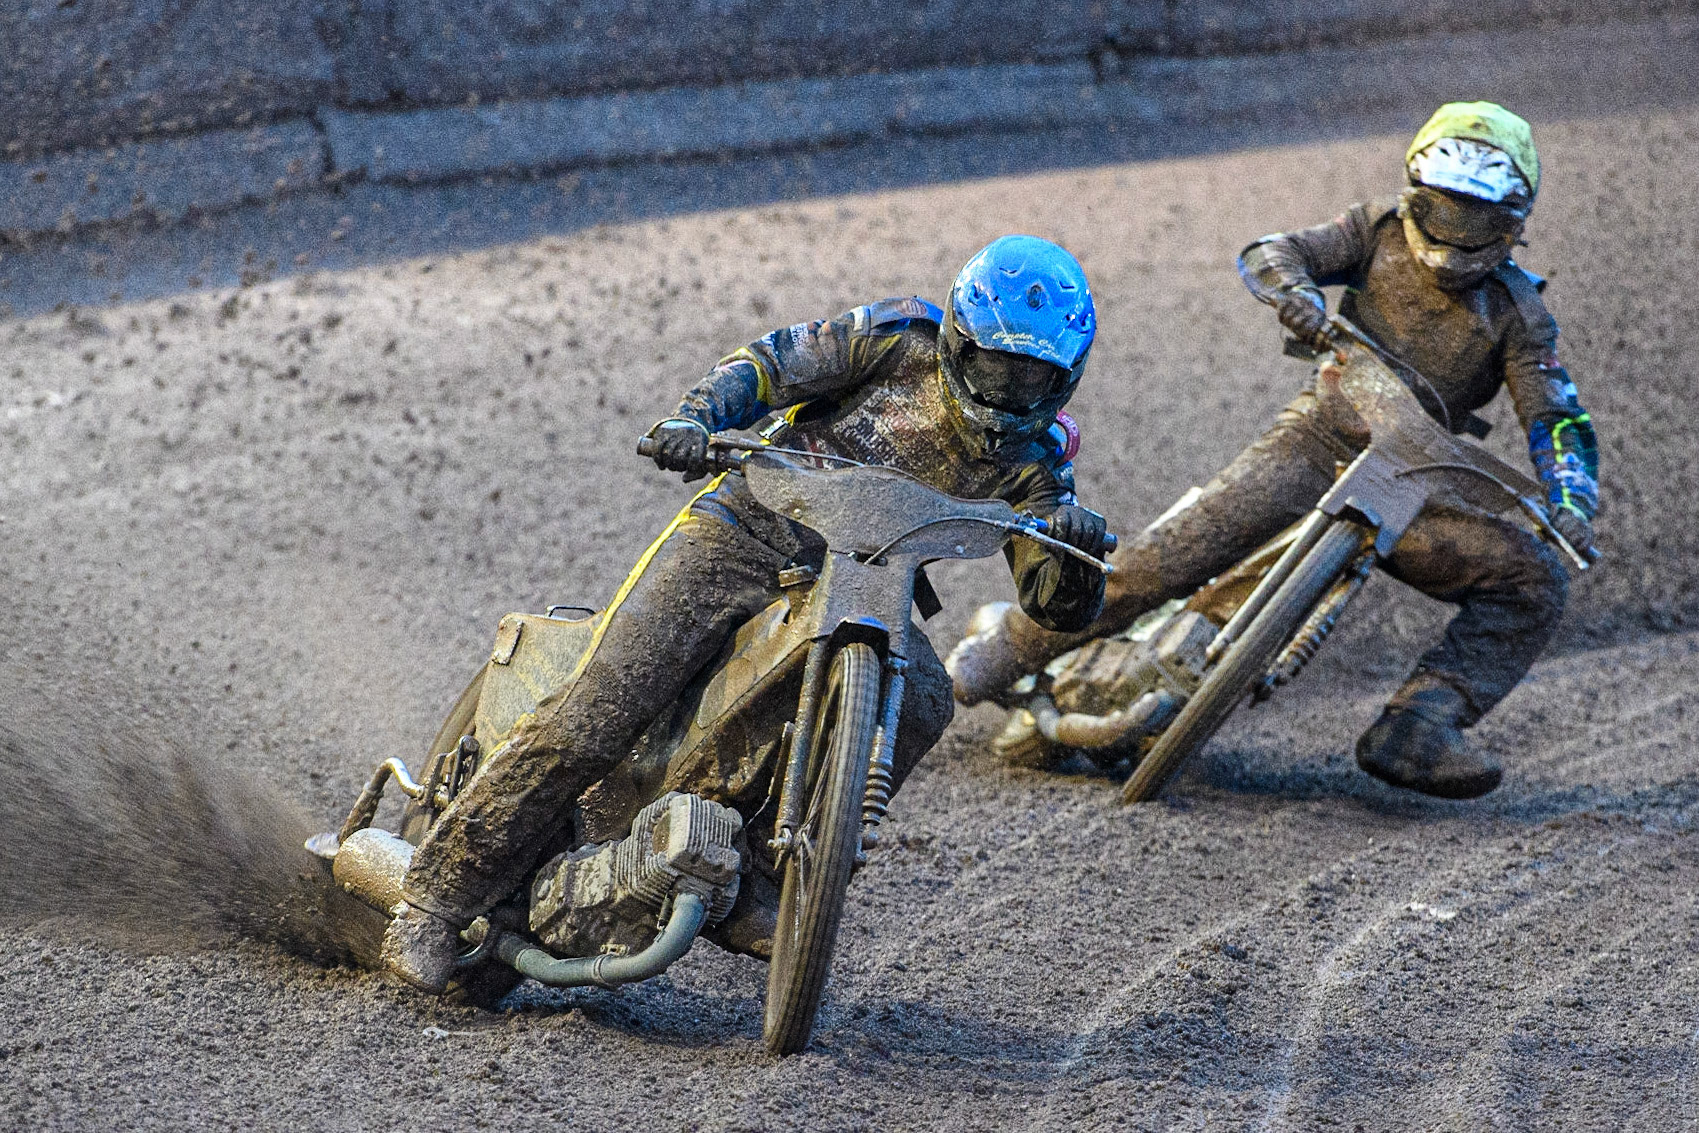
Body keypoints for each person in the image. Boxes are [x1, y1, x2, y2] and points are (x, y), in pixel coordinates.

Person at [382, 235, 1112, 991]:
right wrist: (696, 416)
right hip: (745, 528)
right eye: (996, 366)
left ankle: (765, 874)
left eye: (1032, 378)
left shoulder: (1041, 463)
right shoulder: (893, 340)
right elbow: (768, 364)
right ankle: (434, 900)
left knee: (926, 696)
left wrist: (1069, 547)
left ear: (1065, 378)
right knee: (601, 707)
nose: (1009, 392)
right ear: (960, 341)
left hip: (865, 584)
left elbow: (1051, 603)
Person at [949, 102, 1598, 800]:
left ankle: (1417, 725)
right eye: (1443, 209)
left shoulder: (1520, 315)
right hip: (1319, 438)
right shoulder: (1373, 230)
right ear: (1415, 196)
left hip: (1420, 487)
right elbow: (1270, 251)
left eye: (1473, 217)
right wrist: (1292, 294)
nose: (1454, 231)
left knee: (1534, 577)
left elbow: (1555, 417)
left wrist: (1570, 499)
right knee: (1167, 557)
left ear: (1512, 224)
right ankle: (995, 655)